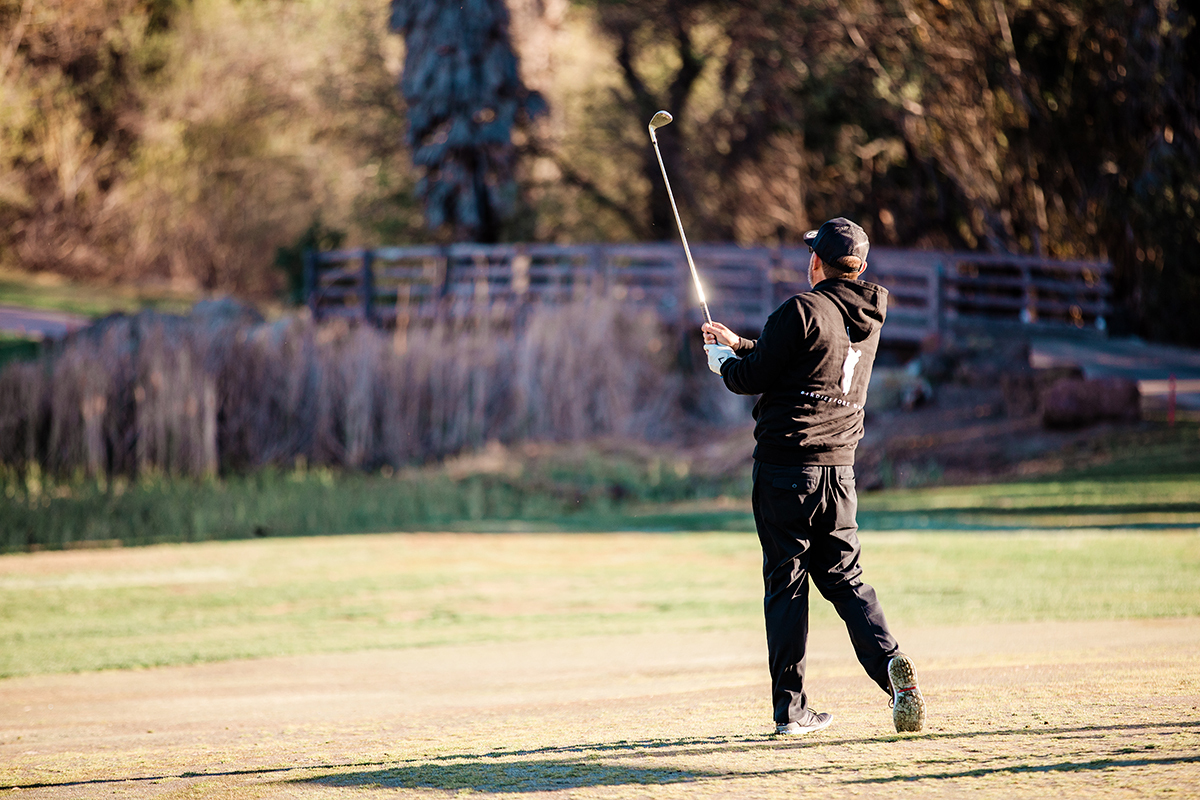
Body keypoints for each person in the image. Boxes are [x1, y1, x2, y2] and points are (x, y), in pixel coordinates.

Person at [701, 217, 926, 736]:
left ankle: (791, 710)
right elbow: (799, 357)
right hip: (839, 474)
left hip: (785, 471)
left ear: (816, 262)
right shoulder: (869, 319)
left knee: (786, 584)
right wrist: (740, 343)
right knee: (846, 579)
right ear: (859, 268)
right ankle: (892, 669)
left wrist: (722, 363)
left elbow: (752, 378)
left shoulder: (801, 308)